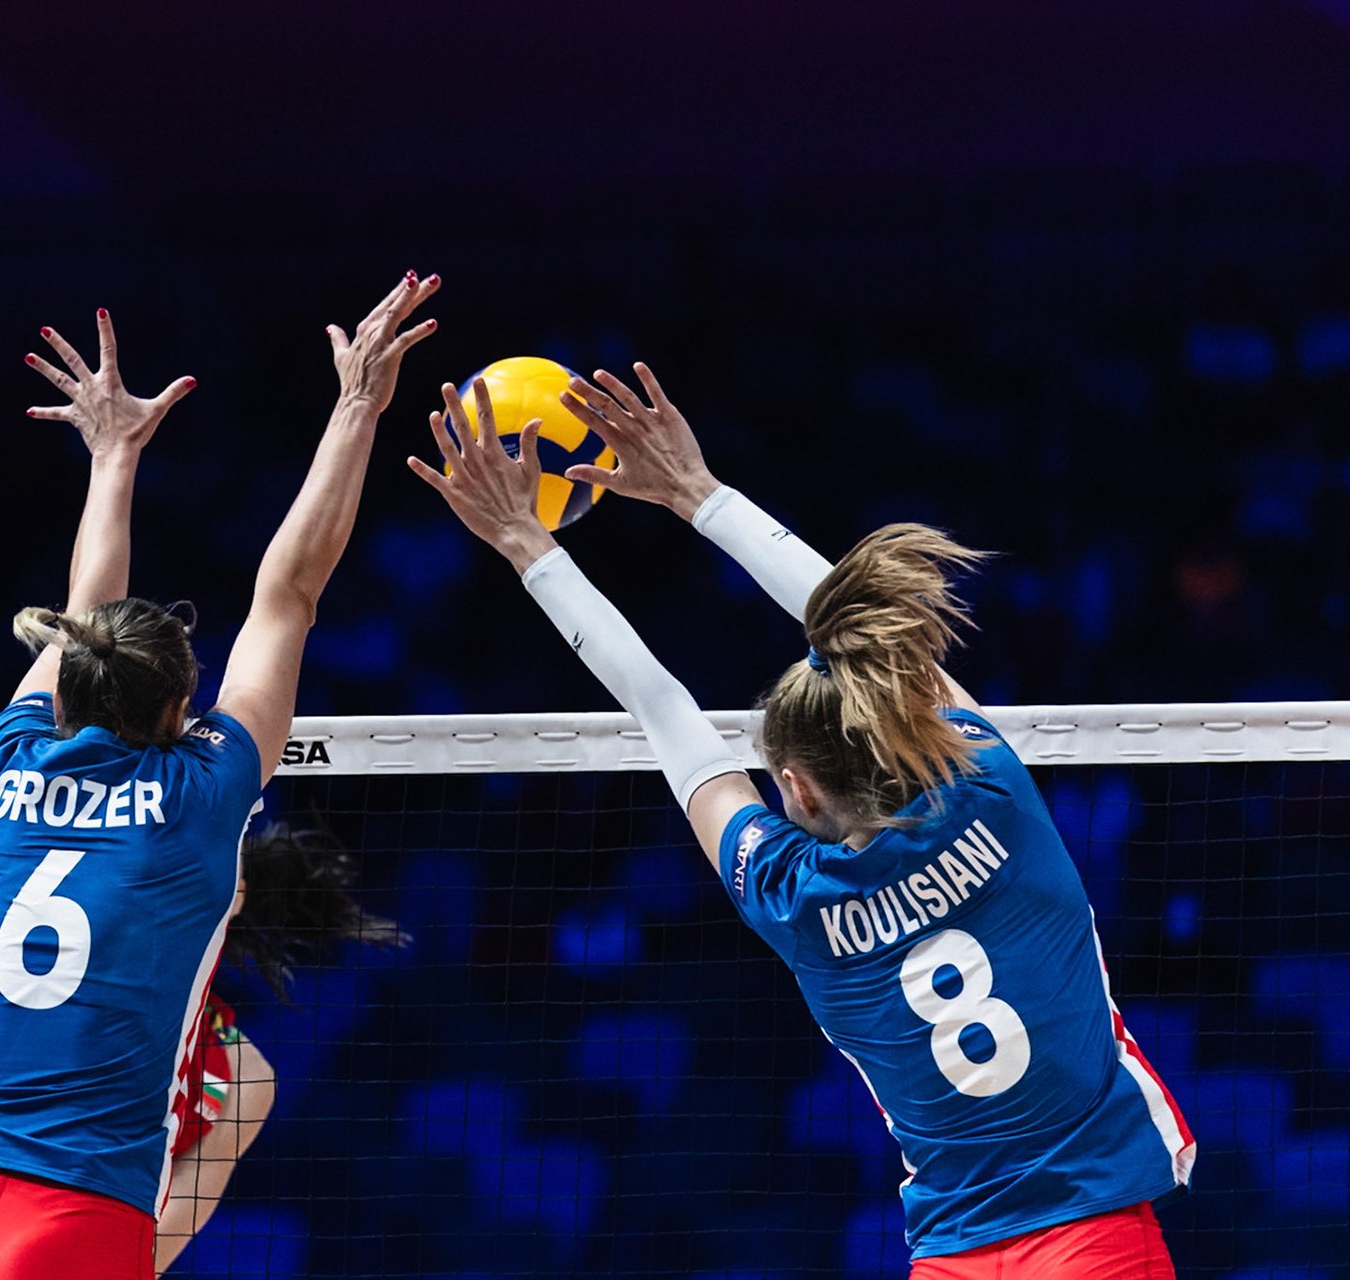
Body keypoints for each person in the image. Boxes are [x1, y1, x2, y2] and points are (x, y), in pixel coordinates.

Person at [409, 368, 1192, 1279]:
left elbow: (660, 707)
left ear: (796, 791)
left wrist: (522, 543)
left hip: (953, 1258)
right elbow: (859, 626)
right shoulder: (992, 794)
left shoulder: (792, 897)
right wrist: (700, 495)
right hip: (1095, 1234)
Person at [0, 272, 438, 1280]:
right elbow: (288, 593)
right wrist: (356, 407)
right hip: (79, 1207)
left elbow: (87, 602)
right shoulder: (202, 799)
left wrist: (112, 456)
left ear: (65, 692)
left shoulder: (3, 760)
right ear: (181, 712)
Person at [0, 822, 404, 1275]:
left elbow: (156, 1246)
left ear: (231, 898)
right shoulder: (61, 983)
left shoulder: (246, 1076)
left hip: (78, 1247)